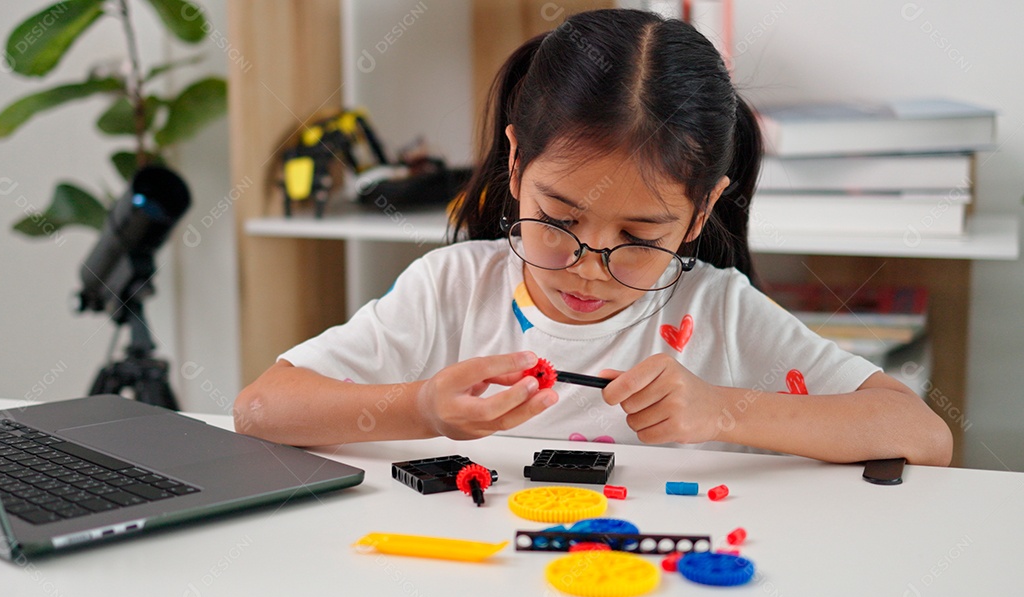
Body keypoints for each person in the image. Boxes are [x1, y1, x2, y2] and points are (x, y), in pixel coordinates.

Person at [234, 9, 952, 466]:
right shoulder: (451, 288)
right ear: (516, 166)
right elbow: (260, 408)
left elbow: (921, 434)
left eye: (639, 235)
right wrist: (421, 407)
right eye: (561, 219)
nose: (587, 269)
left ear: (700, 215)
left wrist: (720, 409)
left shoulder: (720, 313)